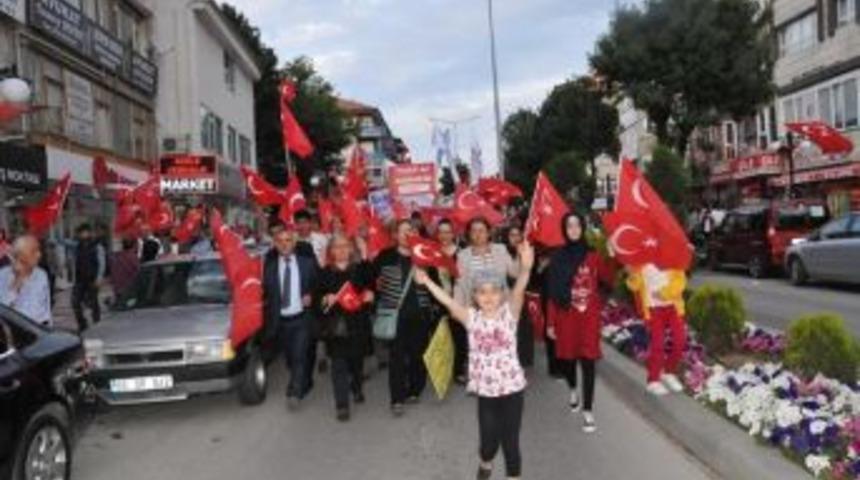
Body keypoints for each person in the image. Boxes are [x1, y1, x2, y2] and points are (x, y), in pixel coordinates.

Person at [415, 241, 534, 480]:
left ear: (501, 294)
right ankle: (485, 462)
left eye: (494, 291)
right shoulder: (471, 318)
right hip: (486, 394)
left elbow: (519, 288)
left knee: (511, 445)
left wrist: (526, 268)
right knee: (488, 444)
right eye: (482, 291)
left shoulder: (510, 314)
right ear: (475, 296)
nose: (488, 296)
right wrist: (426, 281)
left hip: (512, 391)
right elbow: (448, 301)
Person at [545, 213, 616, 433]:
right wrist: (550, 323)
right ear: (564, 229)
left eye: (577, 225)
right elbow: (553, 294)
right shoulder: (557, 258)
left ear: (583, 228)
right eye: (569, 225)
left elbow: (609, 277)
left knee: (588, 363)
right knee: (568, 361)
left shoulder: (593, 255)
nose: (574, 229)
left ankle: (588, 410)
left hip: (589, 319)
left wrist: (612, 255)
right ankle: (573, 388)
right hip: (566, 318)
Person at [372, 219, 438, 416]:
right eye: (402, 231)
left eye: (411, 230)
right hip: (395, 315)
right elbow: (370, 279)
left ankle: (415, 389)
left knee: (418, 354)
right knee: (397, 357)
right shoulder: (385, 256)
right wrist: (375, 288)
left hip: (420, 315)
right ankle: (397, 398)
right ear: (395, 235)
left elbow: (435, 285)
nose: (407, 234)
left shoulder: (424, 255)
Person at [316, 235, 374, 421]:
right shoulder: (324, 272)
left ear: (350, 249)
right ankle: (342, 405)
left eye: (345, 246)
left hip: (358, 324)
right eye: (336, 247)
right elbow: (317, 299)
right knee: (338, 365)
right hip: (336, 328)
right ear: (331, 251)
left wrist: (370, 296)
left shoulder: (360, 269)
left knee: (356, 363)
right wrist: (325, 299)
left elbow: (372, 287)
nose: (341, 250)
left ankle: (356, 387)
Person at [262, 221, 318, 410]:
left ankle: (294, 391)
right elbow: (265, 293)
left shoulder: (307, 264)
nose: (284, 244)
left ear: (294, 243)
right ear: (275, 244)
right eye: (280, 241)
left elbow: (318, 285)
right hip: (280, 321)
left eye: (288, 240)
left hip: (301, 319)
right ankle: (302, 381)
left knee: (299, 355)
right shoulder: (269, 267)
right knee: (290, 358)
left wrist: (312, 295)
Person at [626, 263, 688, 396]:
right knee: (657, 344)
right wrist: (631, 274)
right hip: (653, 309)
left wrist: (664, 293)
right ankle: (653, 380)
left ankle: (668, 372)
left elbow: (681, 282)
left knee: (680, 340)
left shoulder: (672, 258)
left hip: (673, 307)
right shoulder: (641, 261)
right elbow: (634, 286)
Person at [436, 218, 467, 383]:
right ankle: (441, 370)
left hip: (457, 302)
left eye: (447, 232)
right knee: (440, 337)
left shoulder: (461, 253)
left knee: (459, 337)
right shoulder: (432, 253)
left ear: (453, 234)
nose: (444, 235)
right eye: (441, 232)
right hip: (438, 302)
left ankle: (458, 369)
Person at [0, 235, 52, 326]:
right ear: (22, 256)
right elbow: (3, 309)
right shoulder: (4, 275)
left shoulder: (41, 274)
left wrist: (48, 327)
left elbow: (45, 307)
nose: (39, 255)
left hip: (38, 328)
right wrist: (17, 281)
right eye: (34, 251)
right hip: (16, 328)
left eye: (38, 250)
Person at [504, 224, 533, 369]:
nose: (515, 238)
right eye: (512, 235)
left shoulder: (525, 251)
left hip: (521, 297)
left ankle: (522, 360)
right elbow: (510, 273)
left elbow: (528, 274)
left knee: (522, 329)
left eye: (517, 235)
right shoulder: (502, 252)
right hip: (504, 298)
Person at [72, 224, 106, 332]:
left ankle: (97, 323)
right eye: (80, 233)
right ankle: (82, 324)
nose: (81, 235)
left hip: (92, 279)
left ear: (89, 233)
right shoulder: (78, 247)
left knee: (93, 303)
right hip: (80, 280)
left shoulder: (97, 247)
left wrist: (99, 278)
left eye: (83, 232)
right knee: (75, 302)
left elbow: (102, 263)